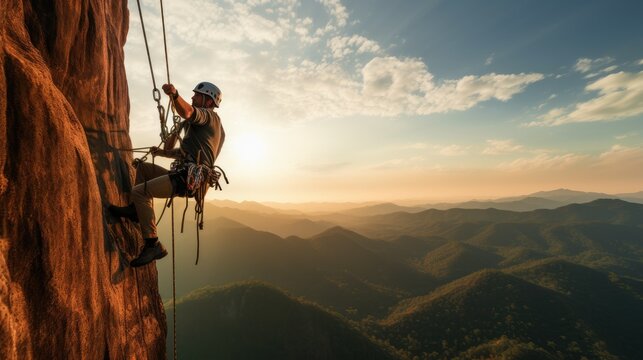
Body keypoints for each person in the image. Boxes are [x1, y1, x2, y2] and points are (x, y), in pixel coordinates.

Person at [109, 81, 225, 267]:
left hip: (187, 177)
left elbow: (187, 111)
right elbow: (179, 150)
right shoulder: (206, 128)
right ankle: (134, 210)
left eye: (197, 95)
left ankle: (153, 244)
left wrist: (175, 95)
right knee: (143, 168)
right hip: (187, 173)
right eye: (193, 95)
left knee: (140, 191)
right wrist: (161, 151)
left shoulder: (208, 116)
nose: (193, 97)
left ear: (209, 102)